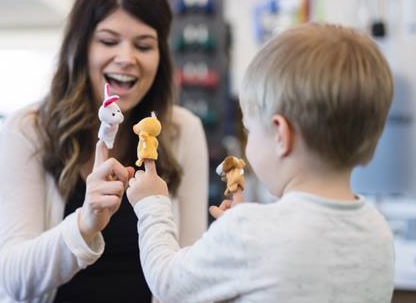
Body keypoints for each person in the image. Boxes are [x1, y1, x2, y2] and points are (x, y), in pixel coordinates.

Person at [0, 0, 209, 303]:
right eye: (109, 41)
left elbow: (188, 276)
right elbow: (14, 279)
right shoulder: (26, 131)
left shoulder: (182, 131)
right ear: (80, 48)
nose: (127, 58)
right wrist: (85, 223)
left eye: (144, 45)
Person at [126, 23, 395, 303]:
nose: (248, 140)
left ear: (281, 134)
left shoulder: (248, 232)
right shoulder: (378, 231)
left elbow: (167, 284)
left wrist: (153, 205)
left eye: (249, 129)